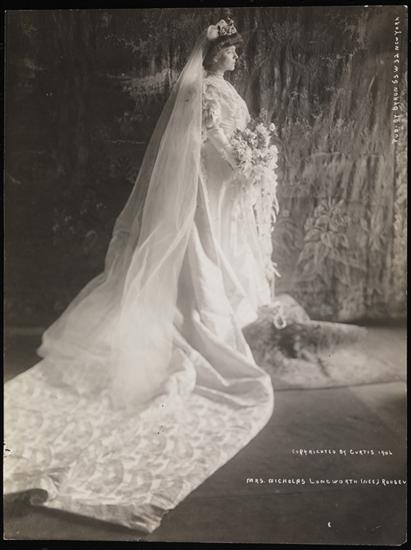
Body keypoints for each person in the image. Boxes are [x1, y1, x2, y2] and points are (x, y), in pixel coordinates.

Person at [4, 19, 275, 534]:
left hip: (219, 188)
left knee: (214, 261)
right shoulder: (204, 91)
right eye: (230, 52)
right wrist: (245, 162)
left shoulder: (225, 90)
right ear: (213, 55)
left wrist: (251, 161)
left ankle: (207, 322)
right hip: (201, 190)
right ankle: (197, 329)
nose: (236, 59)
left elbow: (233, 139)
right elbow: (210, 142)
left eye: (236, 53)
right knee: (198, 261)